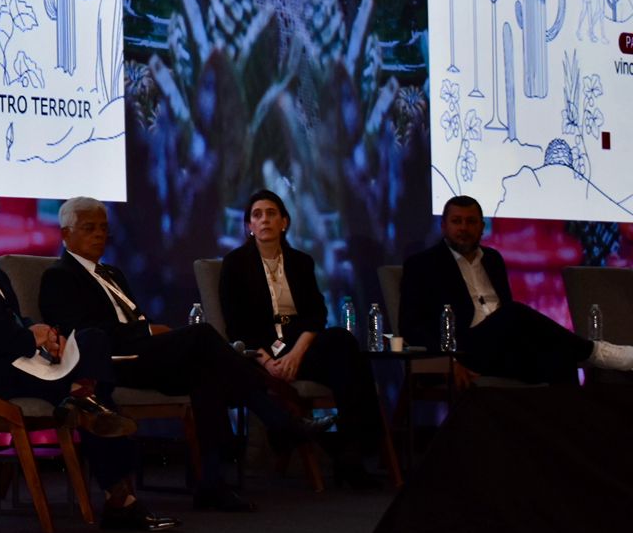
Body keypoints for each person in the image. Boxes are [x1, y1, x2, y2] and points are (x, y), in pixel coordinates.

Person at [39, 196, 328, 512]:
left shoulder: (112, 273)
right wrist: (149, 332)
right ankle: (278, 419)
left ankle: (212, 483)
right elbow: (84, 334)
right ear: (65, 233)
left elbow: (135, 318)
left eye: (103, 228)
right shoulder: (59, 276)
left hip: (144, 356)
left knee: (207, 373)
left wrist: (150, 331)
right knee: (202, 335)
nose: (99, 234)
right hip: (112, 364)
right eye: (89, 228)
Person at [0, 180, 178, 532]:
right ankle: (118, 494)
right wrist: (29, 337)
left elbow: (12, 320)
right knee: (92, 396)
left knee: (91, 341)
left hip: (24, 362)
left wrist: (43, 332)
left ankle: (85, 398)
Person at [220, 190, 385, 488]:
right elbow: (236, 326)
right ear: (249, 226)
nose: (264, 220)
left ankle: (351, 452)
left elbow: (316, 315)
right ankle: (350, 454)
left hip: (299, 348)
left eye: (271, 213)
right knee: (346, 363)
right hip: (259, 354)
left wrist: (297, 354)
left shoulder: (300, 262)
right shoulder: (235, 264)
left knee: (343, 344)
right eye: (257, 215)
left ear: (284, 222)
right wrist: (268, 362)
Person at [401, 196, 633, 386]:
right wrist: (447, 359)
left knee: (562, 360)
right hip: (464, 349)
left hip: (503, 348)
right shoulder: (422, 264)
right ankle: (597, 352)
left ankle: (569, 428)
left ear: (482, 227)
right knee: (512, 313)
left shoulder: (493, 259)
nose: (463, 228)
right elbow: (410, 326)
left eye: (471, 222)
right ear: (444, 226)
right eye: (456, 221)